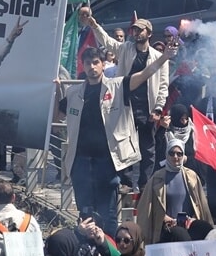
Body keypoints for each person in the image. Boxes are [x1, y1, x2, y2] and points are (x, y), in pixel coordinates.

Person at [59, 43, 176, 235]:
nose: (92, 67)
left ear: (103, 64)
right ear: (83, 66)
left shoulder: (118, 86)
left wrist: (164, 57)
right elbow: (57, 116)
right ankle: (88, 253)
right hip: (80, 161)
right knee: (85, 214)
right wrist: (56, 89)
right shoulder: (73, 92)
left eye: (96, 62)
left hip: (108, 161)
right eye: (87, 63)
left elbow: (144, 75)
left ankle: (110, 255)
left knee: (109, 214)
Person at [84, 10, 171, 186]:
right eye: (135, 30)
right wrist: (94, 25)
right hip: (126, 105)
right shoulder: (126, 49)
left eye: (140, 30)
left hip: (147, 107)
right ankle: (126, 183)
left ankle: (145, 185)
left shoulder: (159, 57)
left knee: (148, 149)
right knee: (124, 144)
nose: (136, 33)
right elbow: (107, 42)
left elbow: (163, 85)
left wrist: (158, 108)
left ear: (149, 33)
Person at [136, 139, 212, 244]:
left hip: (190, 231)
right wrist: (165, 218)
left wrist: (193, 219)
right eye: (172, 153)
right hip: (166, 231)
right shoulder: (157, 177)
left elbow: (200, 205)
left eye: (179, 154)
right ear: (167, 154)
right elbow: (147, 207)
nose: (175, 157)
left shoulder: (192, 176)